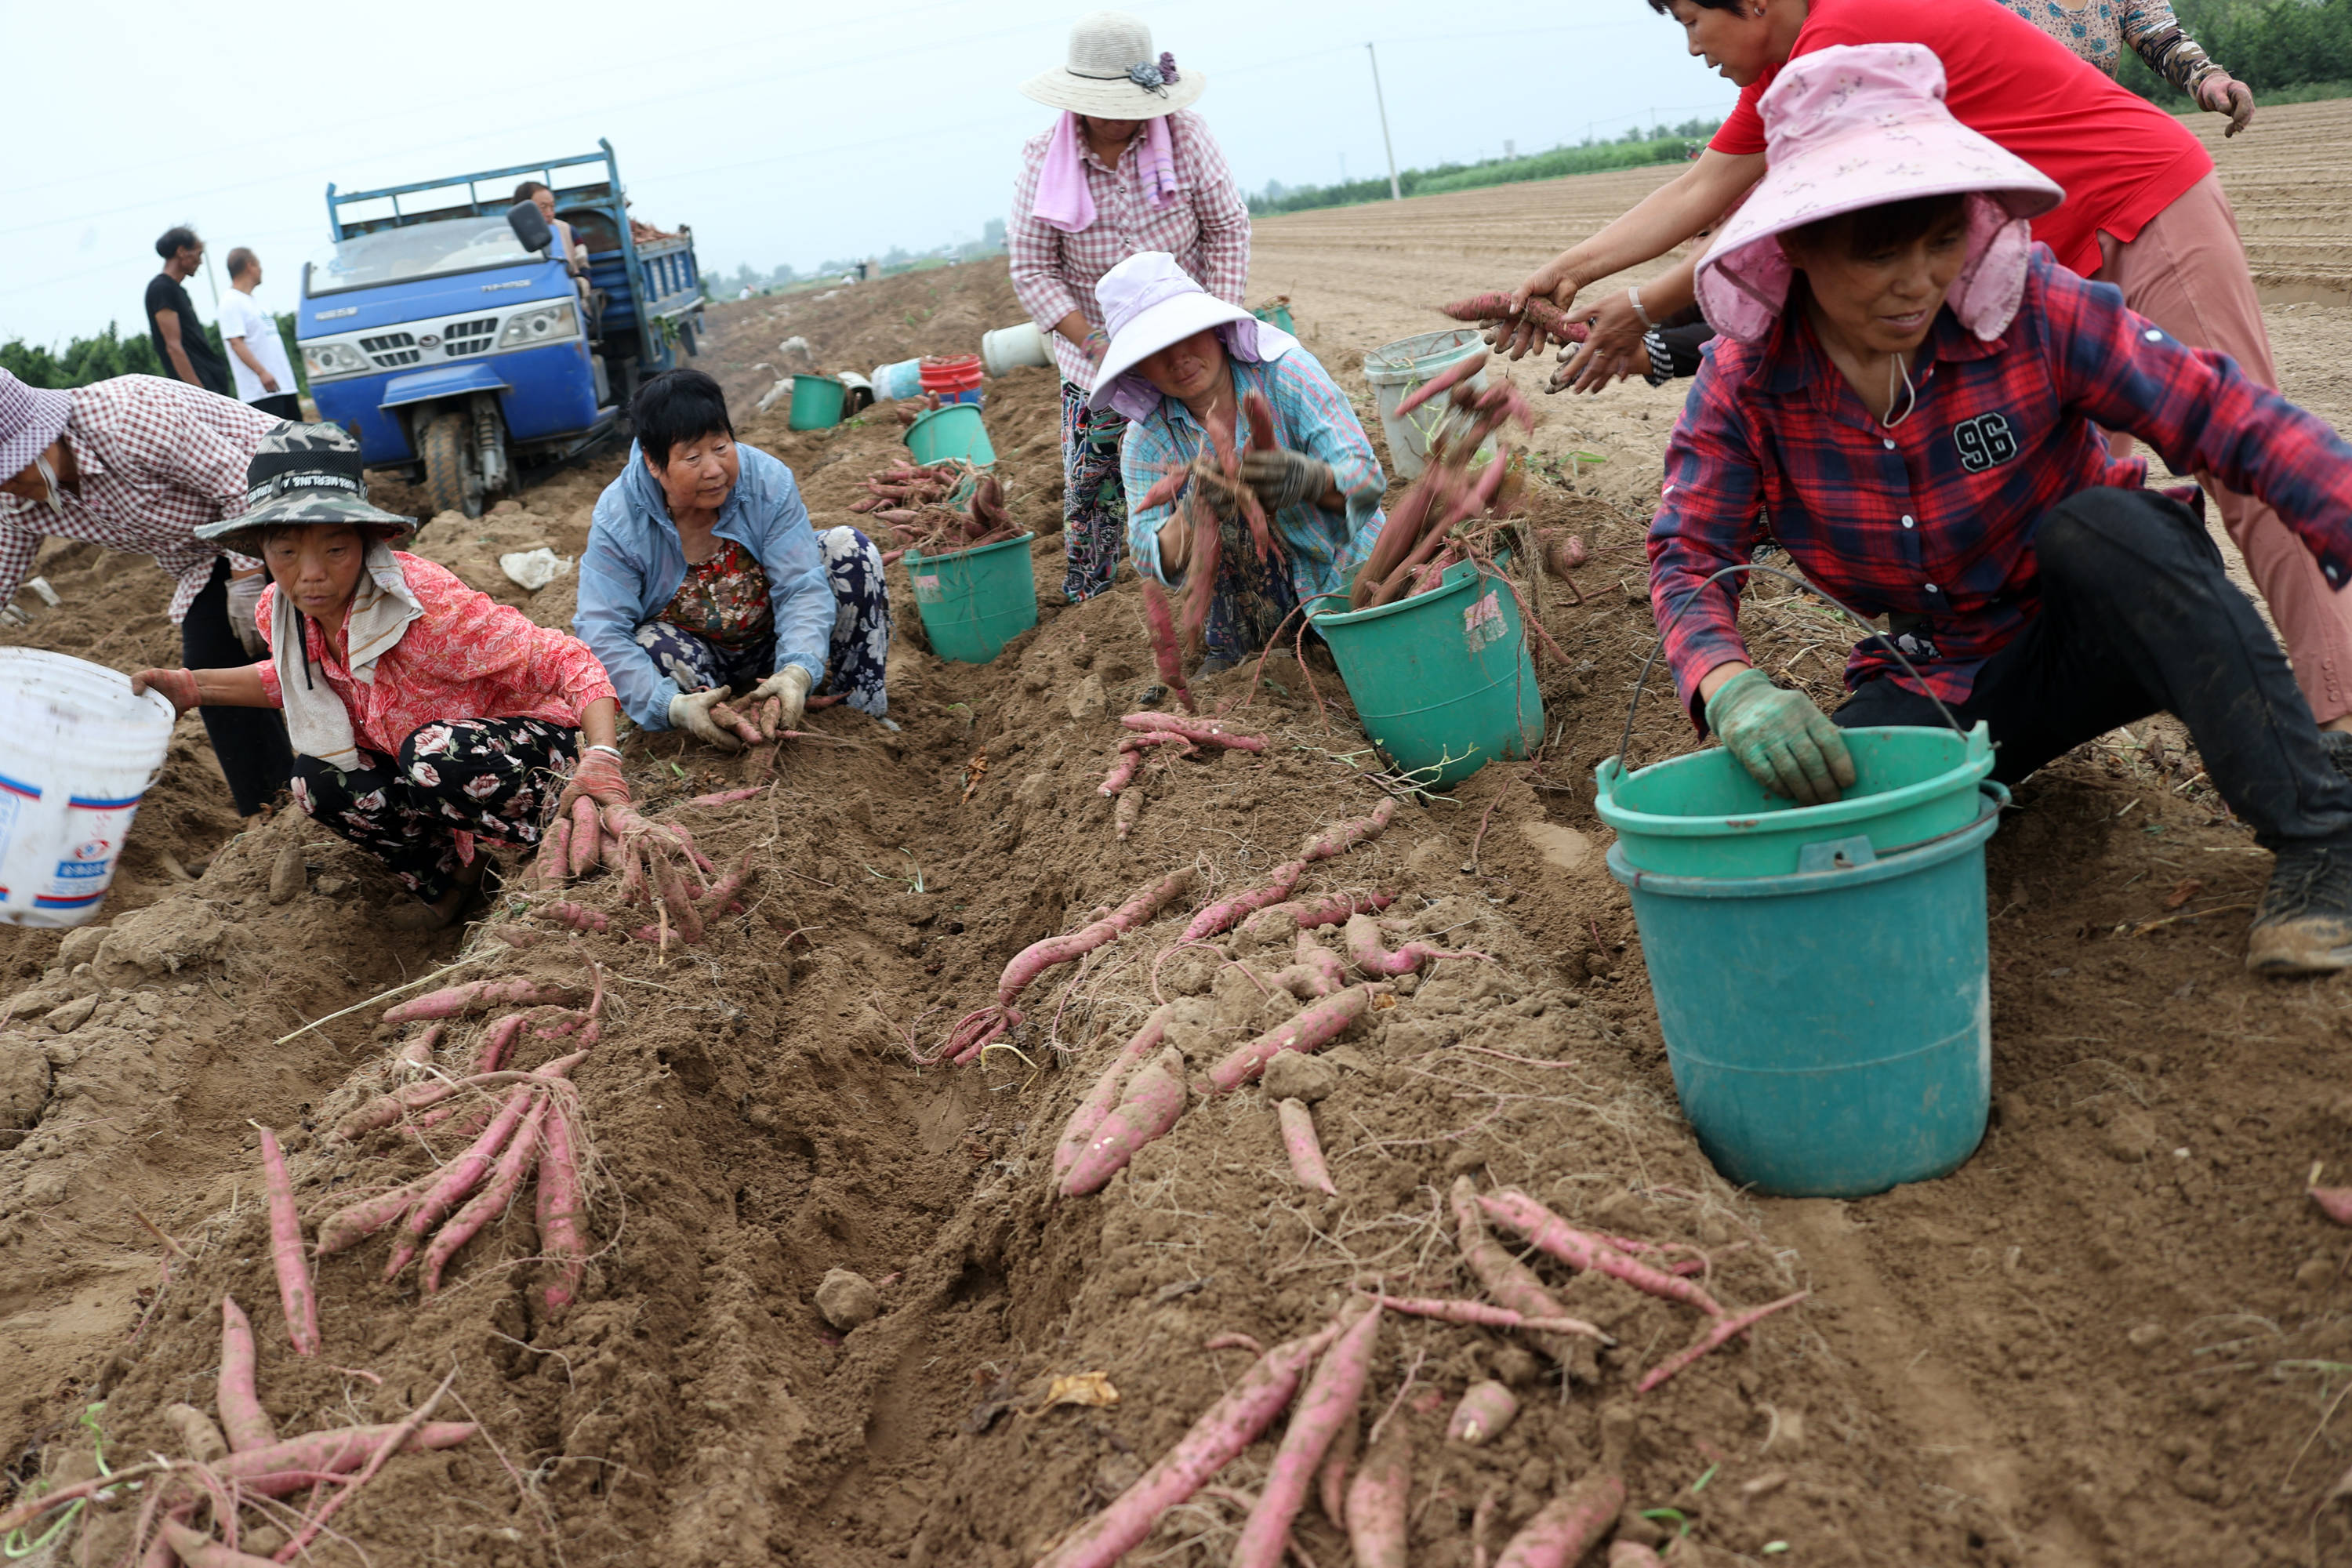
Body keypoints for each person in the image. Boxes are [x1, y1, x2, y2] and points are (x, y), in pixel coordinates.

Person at [1646, 43, 2352, 975]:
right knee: (1819, 806)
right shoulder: (1749, 384)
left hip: (2107, 626)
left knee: (2107, 529)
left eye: (1941, 241)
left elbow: (2222, 413)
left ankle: (2322, 838)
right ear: (1798, 247)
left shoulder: (2031, 314)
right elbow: (1689, 551)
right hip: (1945, 672)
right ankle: (1971, 796)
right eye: (1879, 251)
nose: (1918, 281)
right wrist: (1731, 686)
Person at [1508, 0, 2352, 746]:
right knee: (2070, 501)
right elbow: (1710, 185)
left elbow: (1767, 218)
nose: (1692, 46)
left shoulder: (1839, 44)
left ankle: (2336, 719)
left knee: (2235, 452)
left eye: (1692, 18)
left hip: (2136, 197)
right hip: (2036, 246)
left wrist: (1646, 308)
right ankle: (2037, 694)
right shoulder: (1799, 64)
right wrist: (1566, 274)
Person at [129, 425, 627, 931]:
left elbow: (566, 657)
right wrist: (191, 687)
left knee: (431, 754)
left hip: (531, 754)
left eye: (335, 550)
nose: (310, 574)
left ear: (365, 541)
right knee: (317, 782)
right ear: (261, 551)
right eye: (286, 552)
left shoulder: (423, 604)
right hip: (427, 764)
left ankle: (554, 839)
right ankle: (458, 877)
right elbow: (296, 678)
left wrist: (603, 759)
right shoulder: (281, 613)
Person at [1009, 9, 1250, 603]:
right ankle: (1091, 598)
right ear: (1079, 99)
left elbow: (1227, 229)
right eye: (1106, 104)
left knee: (1230, 460)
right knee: (1093, 485)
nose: (1123, 118)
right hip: (1097, 357)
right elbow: (1033, 268)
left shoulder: (1187, 136)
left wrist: (1212, 325)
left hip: (1194, 342)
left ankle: (1242, 568)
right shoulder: (1044, 160)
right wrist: (1097, 343)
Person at [0, 368, 293, 816]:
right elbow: (2, 570)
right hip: (206, 549)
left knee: (318, 646)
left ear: (44, 433)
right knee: (210, 668)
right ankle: (273, 814)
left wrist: (249, 579)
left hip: (288, 495)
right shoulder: (15, 499)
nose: (6, 486)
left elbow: (241, 484)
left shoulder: (127, 419)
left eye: (9, 468)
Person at [575, 369, 890, 750]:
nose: (714, 470)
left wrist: (797, 671)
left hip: (773, 638)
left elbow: (800, 585)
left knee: (848, 550)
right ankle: (716, 726)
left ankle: (859, 715)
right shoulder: (619, 518)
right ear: (653, 463)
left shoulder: (766, 480)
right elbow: (602, 629)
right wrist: (671, 706)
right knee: (649, 644)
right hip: (695, 660)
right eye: (692, 457)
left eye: (721, 447)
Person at [1097, 252, 1384, 671]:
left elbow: (1367, 479)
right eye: (1155, 350)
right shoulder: (1147, 439)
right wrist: (1192, 515)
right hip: (1244, 612)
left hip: (1348, 575)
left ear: (1213, 328)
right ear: (1138, 368)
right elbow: (1145, 553)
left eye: (1185, 334)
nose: (1178, 358)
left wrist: (1312, 480)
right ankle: (1251, 650)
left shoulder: (1288, 374)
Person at [1994, 0, 2254, 132]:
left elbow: (2162, 40)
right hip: (2003, 140)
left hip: (2088, 133)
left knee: (2177, 156)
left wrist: (2210, 79)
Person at [145, 227, 232, 397]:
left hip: (210, 380)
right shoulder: (162, 288)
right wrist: (198, 392)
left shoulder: (177, 290)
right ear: (182, 252)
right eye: (198, 254)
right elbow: (173, 346)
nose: (200, 261)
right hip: (200, 388)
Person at [217, 249, 301, 422]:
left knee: (299, 443)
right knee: (276, 446)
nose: (261, 270)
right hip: (262, 392)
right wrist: (262, 373)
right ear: (250, 266)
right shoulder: (231, 302)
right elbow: (236, 343)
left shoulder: (253, 301)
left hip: (282, 386)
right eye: (259, 265)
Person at [515, 181, 593, 313]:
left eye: (552, 207)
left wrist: (582, 282)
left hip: (568, 301)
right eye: (543, 207)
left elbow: (583, 263)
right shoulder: (508, 238)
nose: (550, 213)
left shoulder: (567, 230)